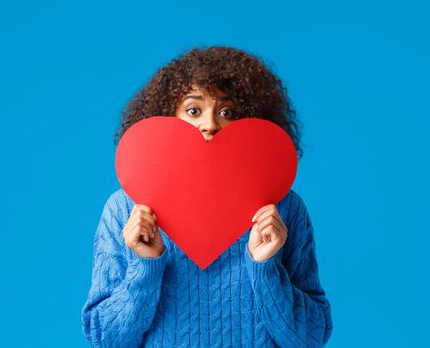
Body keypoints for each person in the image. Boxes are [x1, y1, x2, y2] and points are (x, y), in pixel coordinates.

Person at [80, 46, 333, 347]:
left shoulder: (282, 208)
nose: (210, 124)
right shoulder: (125, 209)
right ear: (167, 115)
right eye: (193, 110)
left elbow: (310, 337)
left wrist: (266, 268)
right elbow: (105, 339)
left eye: (227, 112)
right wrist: (146, 266)